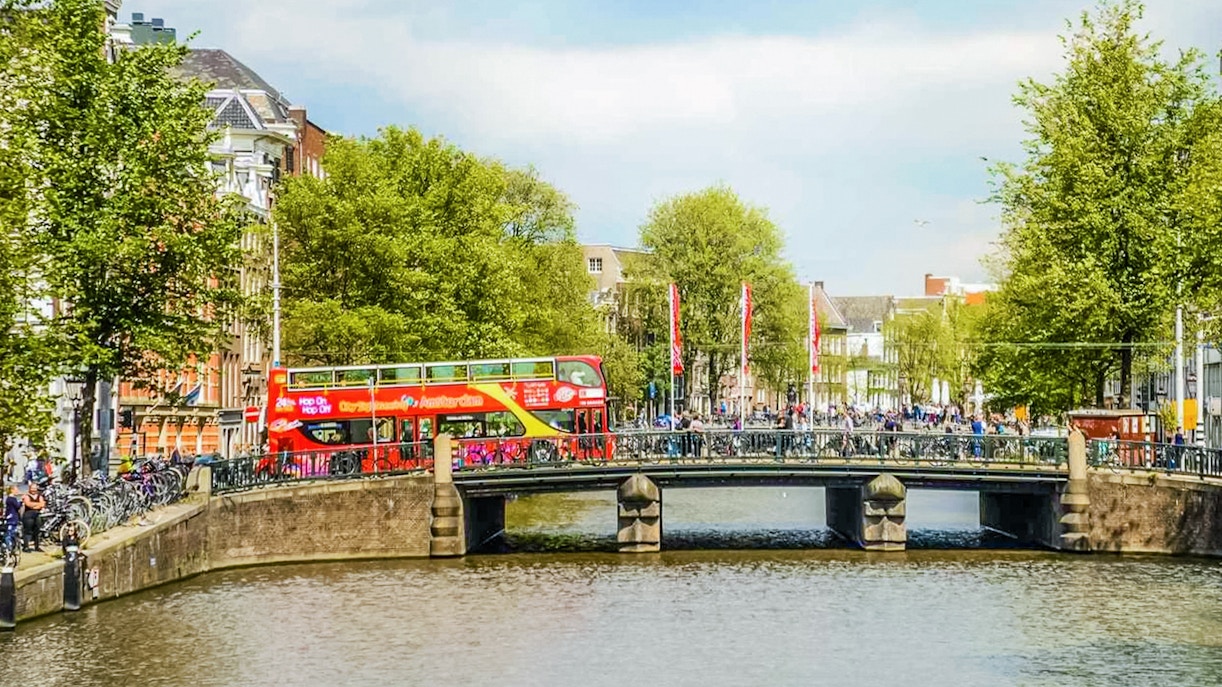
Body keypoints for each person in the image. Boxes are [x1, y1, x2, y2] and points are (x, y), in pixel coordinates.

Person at [21, 483, 45, 552]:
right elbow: (28, 504)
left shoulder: (39, 496)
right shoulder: (26, 496)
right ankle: (26, 547)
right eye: (32, 488)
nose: (34, 490)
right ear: (29, 488)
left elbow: (42, 504)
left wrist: (34, 505)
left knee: (37, 531)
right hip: (28, 515)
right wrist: (37, 505)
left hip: (37, 515)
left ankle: (37, 546)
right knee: (28, 531)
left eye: (35, 488)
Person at [3, 486, 20, 554]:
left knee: (12, 533)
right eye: (16, 490)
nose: (18, 491)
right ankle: (9, 547)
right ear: (12, 490)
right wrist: (21, 502)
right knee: (10, 533)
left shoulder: (10, 499)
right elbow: (17, 506)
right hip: (11, 518)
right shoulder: (11, 499)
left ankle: (11, 547)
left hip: (12, 517)